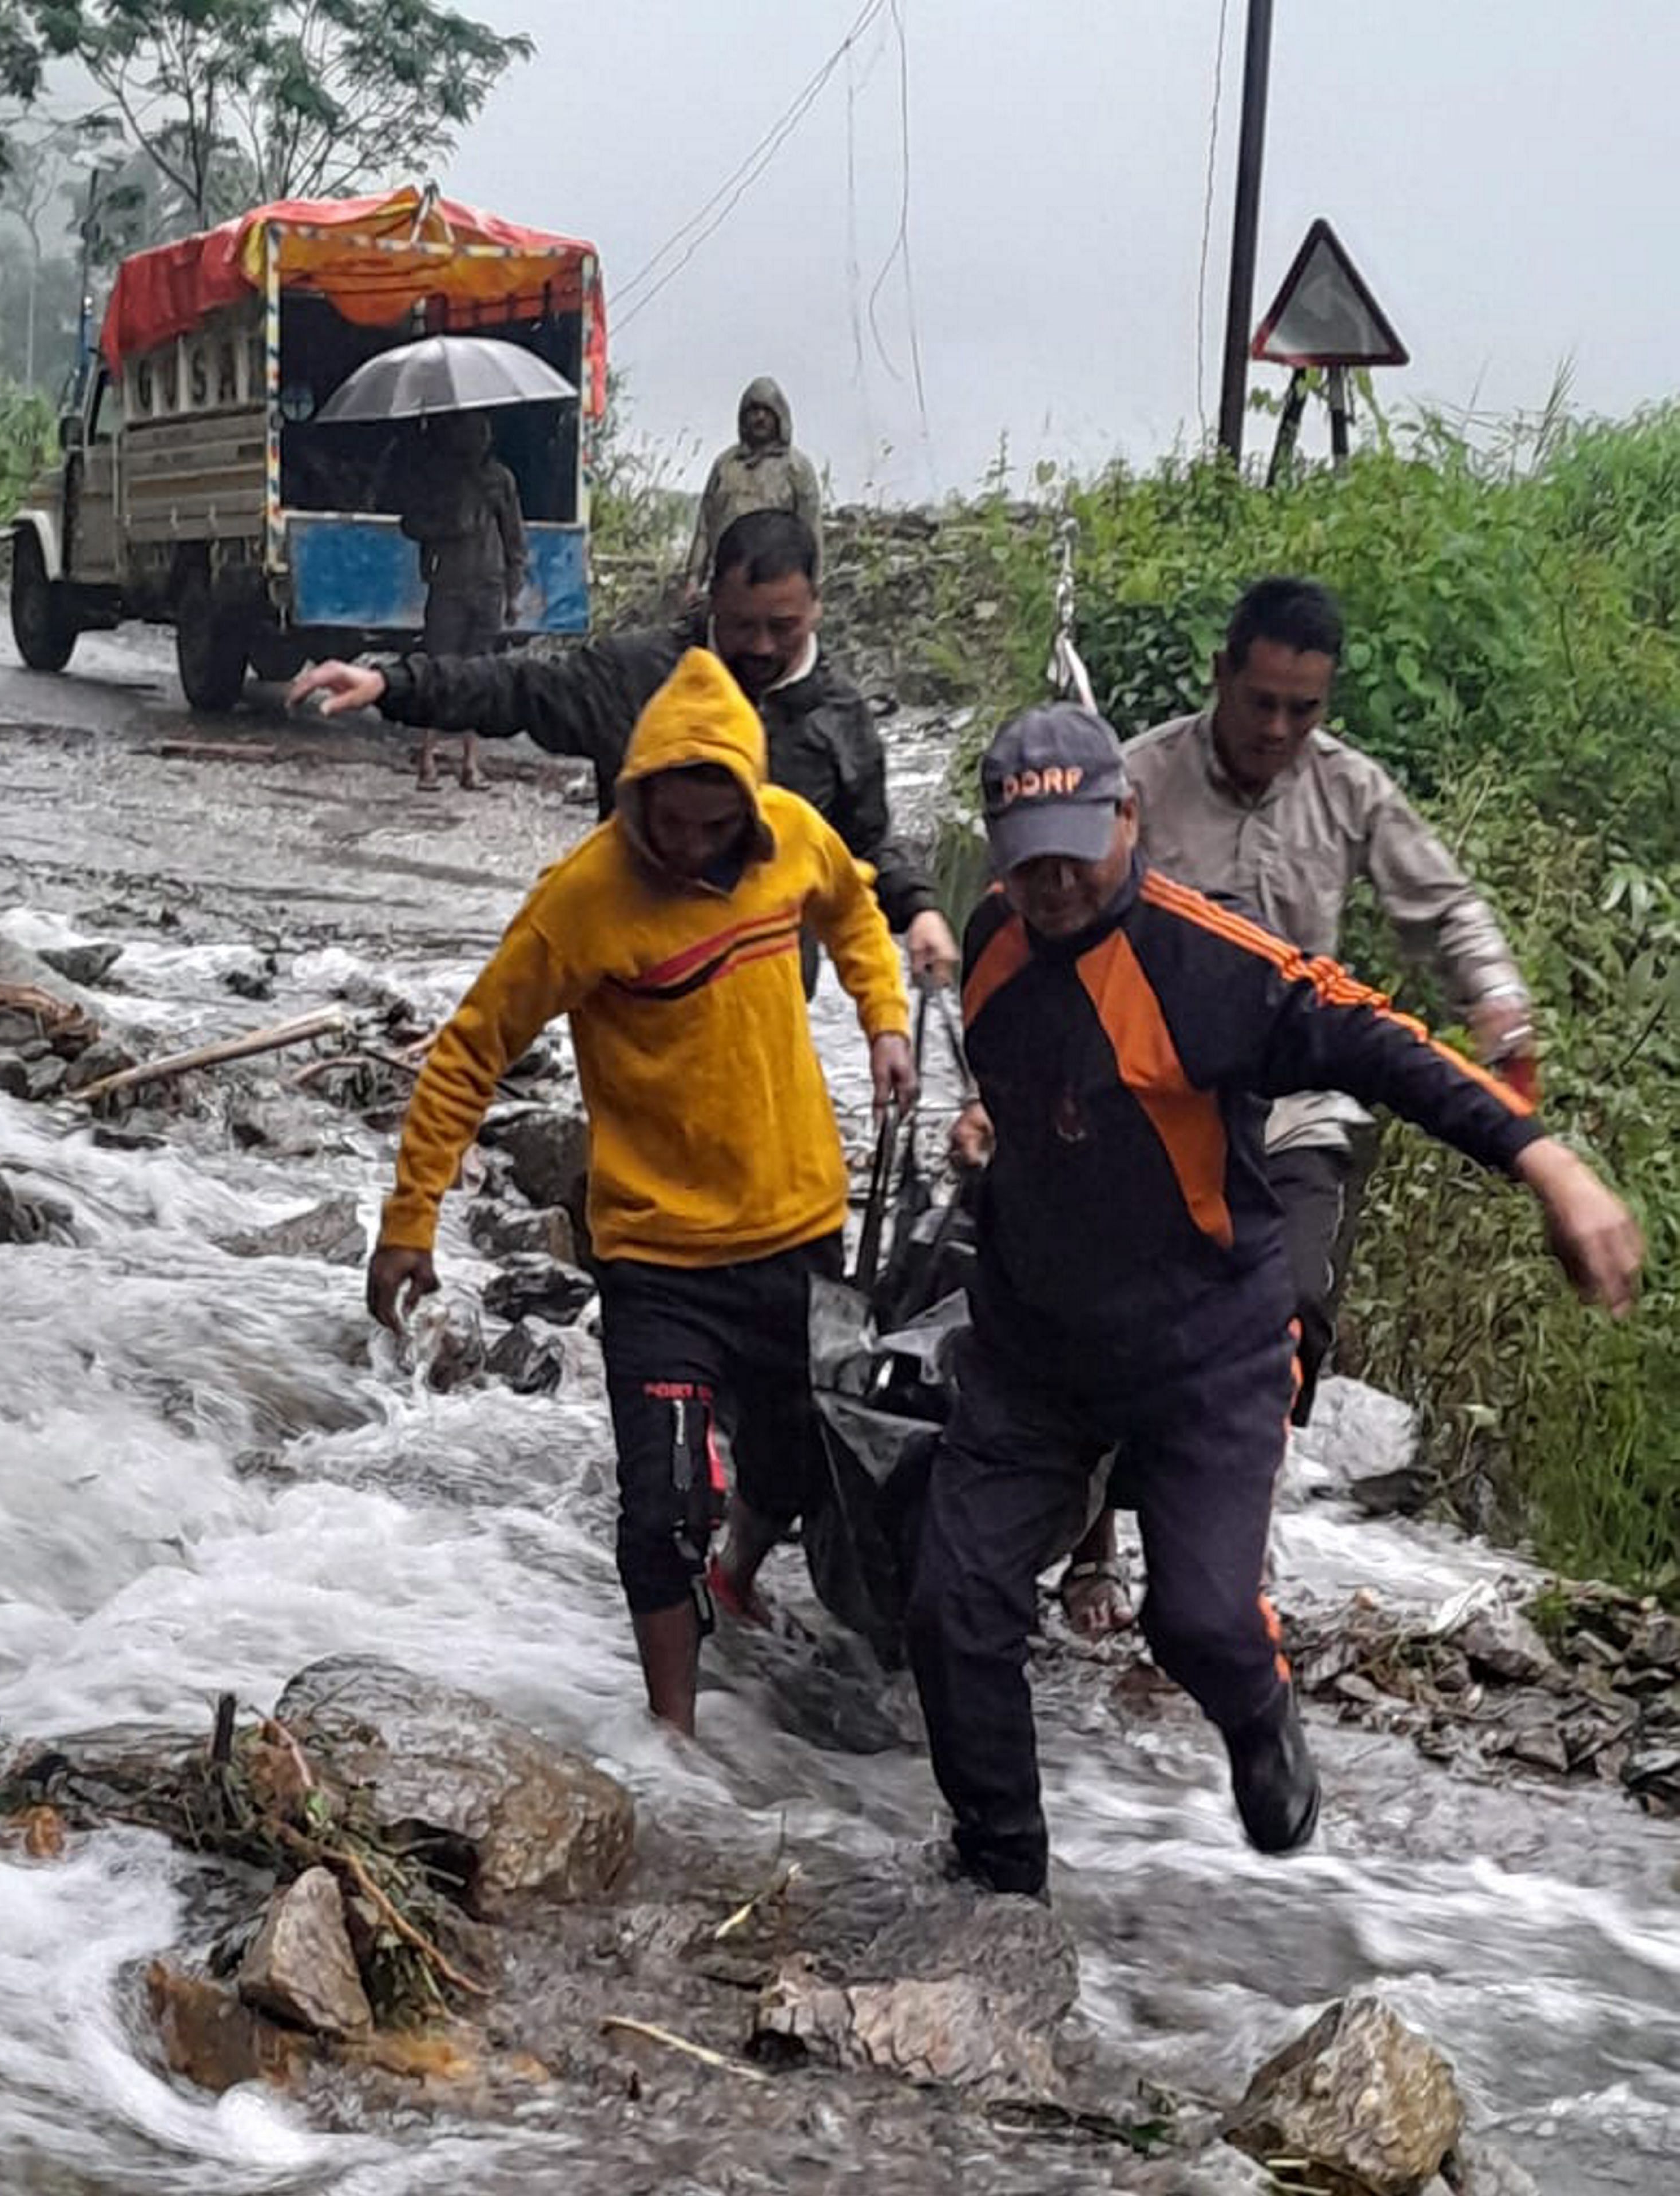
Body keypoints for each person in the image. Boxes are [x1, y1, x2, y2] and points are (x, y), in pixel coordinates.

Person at [911, 705, 1639, 1899]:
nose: (1049, 882)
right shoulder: (992, 941)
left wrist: (1547, 1163)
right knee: (952, 1605)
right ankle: (1003, 1876)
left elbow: (1387, 1047)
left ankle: (1260, 1714)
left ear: (1129, 820)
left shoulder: (1211, 964)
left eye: (1075, 851)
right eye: (1025, 854)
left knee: (1194, 1622)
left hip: (1207, 1346)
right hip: (1035, 1343)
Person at [367, 648, 916, 1733]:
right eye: (674, 823)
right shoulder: (582, 901)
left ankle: (742, 1576)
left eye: (719, 828)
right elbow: (471, 1050)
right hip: (660, 1257)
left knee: (797, 1463)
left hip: (798, 1227)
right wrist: (409, 1222)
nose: (695, 848)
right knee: (664, 1506)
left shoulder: (794, 837)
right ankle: (677, 1739)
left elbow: (853, 912)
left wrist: (884, 1018)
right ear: (637, 793)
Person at [1050, 574, 1542, 1637]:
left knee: (1287, 1315)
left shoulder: (1348, 790)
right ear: (1221, 675)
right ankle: (1091, 1542)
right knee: (1109, 1315)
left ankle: (1222, 1576)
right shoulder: (1136, 780)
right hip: (1155, 1098)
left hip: (1294, 1104)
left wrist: (1497, 1003)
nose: (1277, 728)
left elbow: (1443, 906)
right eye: (1261, 701)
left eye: (1302, 709)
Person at [287, 509, 957, 984]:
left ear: (815, 607)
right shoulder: (635, 679)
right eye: (742, 624)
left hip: (767, 988)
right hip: (632, 979)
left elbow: (866, 847)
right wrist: (390, 682)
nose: (759, 646)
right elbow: (515, 688)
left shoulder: (840, 721)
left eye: (781, 627)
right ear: (710, 598)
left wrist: (919, 911)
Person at [396, 412, 526, 793]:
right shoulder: (439, 479)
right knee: (439, 671)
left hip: (488, 587)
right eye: (470, 433)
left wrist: (513, 593)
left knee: (479, 675)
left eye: (483, 433)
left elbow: (515, 539)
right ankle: (428, 762)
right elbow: (411, 523)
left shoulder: (500, 481)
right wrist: (449, 526)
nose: (476, 440)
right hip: (448, 588)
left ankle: (470, 765)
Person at [682, 376, 824, 598]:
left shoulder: (797, 469)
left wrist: (812, 587)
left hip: (778, 582)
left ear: (779, 416)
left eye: (767, 411)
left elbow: (810, 531)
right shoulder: (726, 466)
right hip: (728, 581)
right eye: (753, 411)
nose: (760, 418)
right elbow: (705, 526)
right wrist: (693, 578)